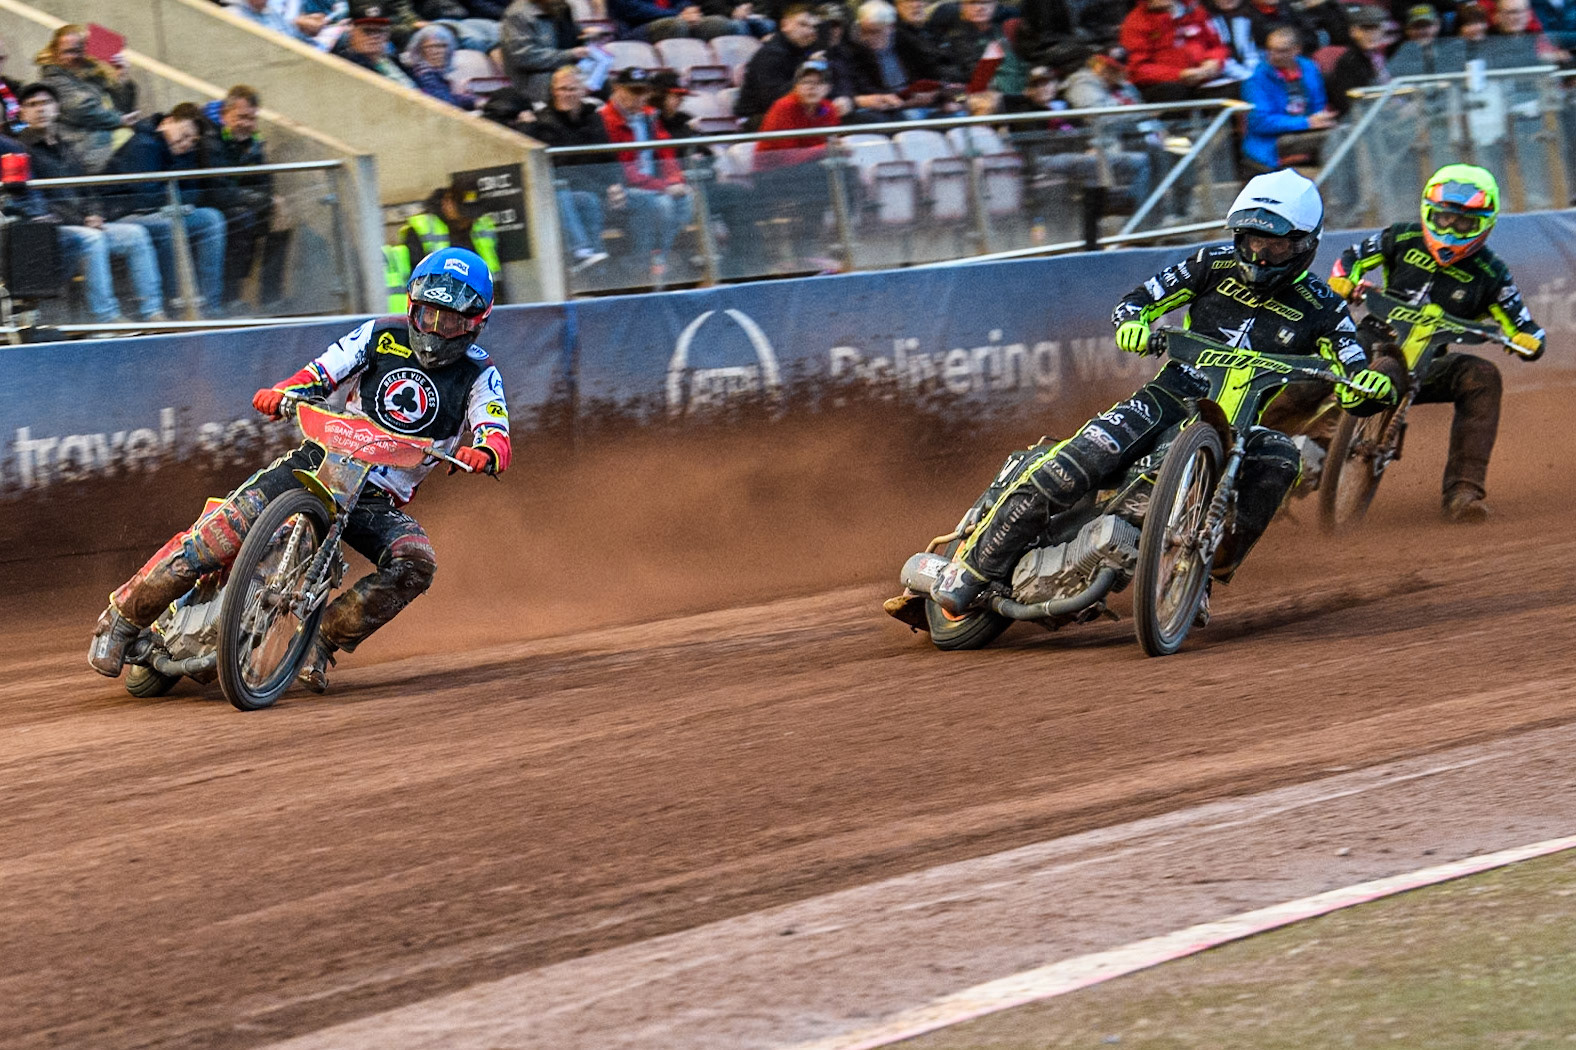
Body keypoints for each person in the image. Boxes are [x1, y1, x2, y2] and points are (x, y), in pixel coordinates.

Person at [929, 169, 1395, 619]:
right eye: (1252, 241)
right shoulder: (1210, 263)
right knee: (1076, 463)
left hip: (1242, 428)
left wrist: (1369, 387)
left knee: (1281, 457)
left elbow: (1353, 371)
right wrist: (1132, 325)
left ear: (1305, 244)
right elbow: (1137, 301)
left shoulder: (1325, 307)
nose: (1259, 255)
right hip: (1170, 396)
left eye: (1275, 246)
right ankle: (970, 570)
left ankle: (1200, 571)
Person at [88, 246, 511, 694]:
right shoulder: (380, 334)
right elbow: (323, 371)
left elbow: (495, 428)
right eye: (428, 316)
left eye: (450, 322)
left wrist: (485, 451)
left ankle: (320, 643)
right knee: (217, 533)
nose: (436, 330)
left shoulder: (480, 374)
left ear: (475, 324)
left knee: (416, 561)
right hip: (319, 460)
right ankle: (119, 621)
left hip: (374, 498)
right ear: (412, 307)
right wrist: (284, 392)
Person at [1321, 164, 1544, 522]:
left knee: (1482, 376)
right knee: (1331, 349)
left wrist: (1528, 339)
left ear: (1485, 225)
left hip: (1427, 367)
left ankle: (1463, 493)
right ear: (1428, 212)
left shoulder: (1492, 274)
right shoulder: (1401, 236)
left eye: (1464, 223)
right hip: (1373, 341)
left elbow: (1525, 325)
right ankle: (1274, 440)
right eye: (1443, 219)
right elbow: (1352, 258)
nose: (1451, 230)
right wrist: (1344, 279)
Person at [15, 81, 167, 324]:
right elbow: (35, 200)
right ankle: (106, 318)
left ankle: (153, 312)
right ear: (22, 113)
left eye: (45, 102)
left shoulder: (66, 146)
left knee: (136, 235)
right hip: (52, 229)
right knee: (92, 240)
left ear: (57, 108)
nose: (40, 109)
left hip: (83, 222)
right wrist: (82, 220)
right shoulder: (21, 149)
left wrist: (95, 212)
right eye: (32, 105)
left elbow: (88, 188)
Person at [99, 104, 229, 318]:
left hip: (162, 211)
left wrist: (179, 171)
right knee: (169, 225)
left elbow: (192, 192)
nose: (186, 144)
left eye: (192, 141)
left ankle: (209, 304)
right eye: (184, 135)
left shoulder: (183, 153)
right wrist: (175, 199)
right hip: (123, 213)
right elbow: (145, 197)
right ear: (166, 122)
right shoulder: (144, 145)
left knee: (212, 219)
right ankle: (177, 302)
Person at [199, 84, 293, 312]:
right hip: (212, 205)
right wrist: (267, 201)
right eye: (241, 117)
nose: (247, 124)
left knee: (280, 223)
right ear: (225, 115)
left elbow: (265, 183)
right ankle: (230, 297)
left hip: (242, 204)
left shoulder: (253, 143)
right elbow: (220, 192)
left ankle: (270, 297)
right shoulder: (210, 141)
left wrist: (273, 204)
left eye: (251, 119)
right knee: (240, 219)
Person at [598, 66, 696, 284]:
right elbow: (623, 169)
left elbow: (666, 154)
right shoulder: (605, 119)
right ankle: (642, 266)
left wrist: (676, 181)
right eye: (634, 91)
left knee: (687, 199)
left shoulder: (650, 116)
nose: (641, 97)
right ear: (617, 89)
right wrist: (664, 187)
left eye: (644, 91)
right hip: (623, 189)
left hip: (654, 186)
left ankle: (659, 258)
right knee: (662, 204)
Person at [522, 64, 622, 274]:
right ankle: (587, 258)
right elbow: (562, 168)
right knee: (587, 200)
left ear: (583, 91)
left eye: (572, 89)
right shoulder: (543, 121)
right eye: (561, 89)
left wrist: (616, 184)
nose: (566, 94)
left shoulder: (594, 118)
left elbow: (609, 156)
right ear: (553, 91)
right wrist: (603, 188)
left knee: (649, 203)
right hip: (565, 191)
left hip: (597, 186)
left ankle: (641, 268)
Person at [33, 23, 139, 174]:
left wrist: (121, 79)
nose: (74, 57)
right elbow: (81, 109)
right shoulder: (53, 79)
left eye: (78, 51)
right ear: (55, 53)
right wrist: (120, 120)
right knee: (145, 144)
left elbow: (123, 109)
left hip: (112, 143)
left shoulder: (93, 75)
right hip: (89, 150)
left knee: (152, 137)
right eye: (68, 52)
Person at [1240, 25, 1336, 173]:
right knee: (1334, 138)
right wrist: (1306, 122)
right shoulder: (1256, 79)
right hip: (1273, 140)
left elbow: (1318, 103)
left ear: (1296, 50)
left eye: (1281, 51)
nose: (1274, 55)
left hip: (1305, 132)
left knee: (1344, 133)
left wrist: (1321, 118)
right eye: (1270, 49)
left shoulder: (1309, 68)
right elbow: (1259, 122)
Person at [393, 184, 504, 303]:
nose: (467, 220)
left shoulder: (483, 225)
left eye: (472, 214)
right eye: (463, 213)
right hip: (437, 303)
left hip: (481, 301)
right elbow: (415, 279)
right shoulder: (422, 228)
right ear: (448, 202)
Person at [1118, 0, 1232, 102]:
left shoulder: (1196, 11)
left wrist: (1213, 61)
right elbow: (1136, 68)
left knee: (1231, 90)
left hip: (1204, 79)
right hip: (1163, 85)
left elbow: (1218, 46)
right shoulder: (1136, 22)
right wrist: (1179, 75)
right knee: (1173, 92)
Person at [736, 3, 822, 130]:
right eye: (802, 24)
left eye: (812, 27)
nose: (809, 31)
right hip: (758, 117)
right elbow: (772, 100)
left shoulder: (807, 51)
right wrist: (805, 72)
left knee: (828, 112)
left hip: (792, 114)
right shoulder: (770, 54)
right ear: (785, 25)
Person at [500, 0, 590, 103]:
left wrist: (585, 37)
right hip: (535, 83)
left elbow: (571, 40)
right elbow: (524, 57)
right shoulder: (517, 14)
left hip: (565, 72)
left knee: (600, 79)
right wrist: (569, 55)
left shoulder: (562, 7)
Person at [1326, 4, 1391, 118]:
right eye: (1365, 29)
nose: (1371, 34)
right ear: (1353, 32)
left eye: (1375, 28)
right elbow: (1352, 105)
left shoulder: (1379, 56)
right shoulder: (1349, 62)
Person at [332, 5, 418, 88]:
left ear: (388, 35)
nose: (375, 36)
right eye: (368, 31)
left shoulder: (396, 61)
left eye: (380, 31)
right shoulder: (343, 63)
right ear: (352, 31)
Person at [400, 23, 476, 108]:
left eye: (443, 46)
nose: (437, 52)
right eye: (430, 47)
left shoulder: (434, 72)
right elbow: (445, 104)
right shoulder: (424, 72)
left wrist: (473, 100)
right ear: (419, 50)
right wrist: (462, 95)